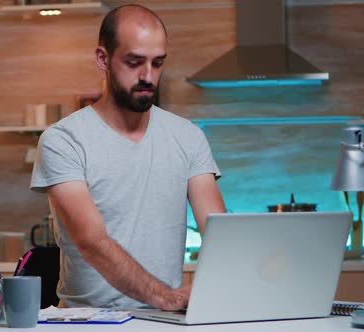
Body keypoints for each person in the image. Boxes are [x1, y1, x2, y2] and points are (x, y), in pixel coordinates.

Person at [30, 4, 225, 310]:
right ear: (102, 58)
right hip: (87, 322)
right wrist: (165, 296)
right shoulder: (63, 140)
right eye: (134, 62)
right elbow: (91, 242)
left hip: (163, 321)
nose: (148, 76)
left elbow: (219, 233)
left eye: (157, 63)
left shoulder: (188, 137)